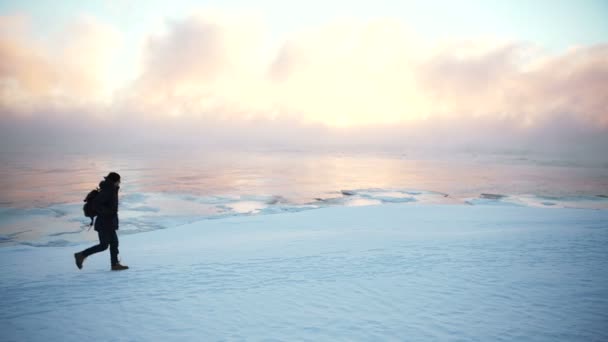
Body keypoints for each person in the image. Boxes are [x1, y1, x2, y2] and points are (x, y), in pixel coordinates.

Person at [74, 172, 129, 271]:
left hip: (109, 221)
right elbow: (96, 204)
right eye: (118, 180)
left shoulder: (111, 189)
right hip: (104, 222)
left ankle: (115, 264)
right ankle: (81, 255)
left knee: (114, 243)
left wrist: (110, 213)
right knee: (104, 245)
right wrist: (108, 212)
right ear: (114, 181)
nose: (120, 182)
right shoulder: (108, 190)